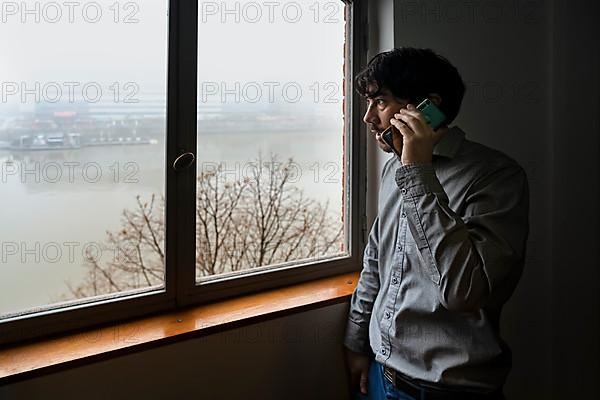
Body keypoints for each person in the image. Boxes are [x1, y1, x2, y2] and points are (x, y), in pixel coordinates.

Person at [344, 47, 529, 400]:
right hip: (381, 377)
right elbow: (376, 260)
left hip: (449, 391)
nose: (368, 117)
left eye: (380, 102)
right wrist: (355, 342)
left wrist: (418, 173)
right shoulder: (392, 168)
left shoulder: (496, 176)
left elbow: (465, 291)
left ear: (426, 108)